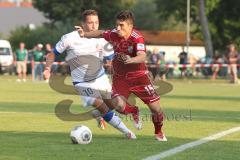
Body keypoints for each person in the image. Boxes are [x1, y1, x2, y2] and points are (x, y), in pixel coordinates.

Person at [43, 9, 136, 139]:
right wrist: (47, 68)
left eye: (96, 22)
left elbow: (110, 61)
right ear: (83, 23)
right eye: (90, 23)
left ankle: (97, 114)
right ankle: (128, 132)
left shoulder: (102, 39)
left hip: (100, 78)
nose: (94, 26)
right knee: (102, 106)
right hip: (82, 83)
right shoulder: (69, 38)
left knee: (118, 105)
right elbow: (53, 53)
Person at [77, 10, 167, 141]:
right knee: (118, 105)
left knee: (156, 109)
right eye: (117, 25)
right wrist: (84, 34)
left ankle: (158, 132)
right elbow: (100, 33)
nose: (118, 28)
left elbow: (142, 55)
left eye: (121, 25)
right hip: (120, 77)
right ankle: (134, 111)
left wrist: (132, 60)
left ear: (130, 26)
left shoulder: (137, 37)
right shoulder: (114, 34)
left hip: (139, 77)